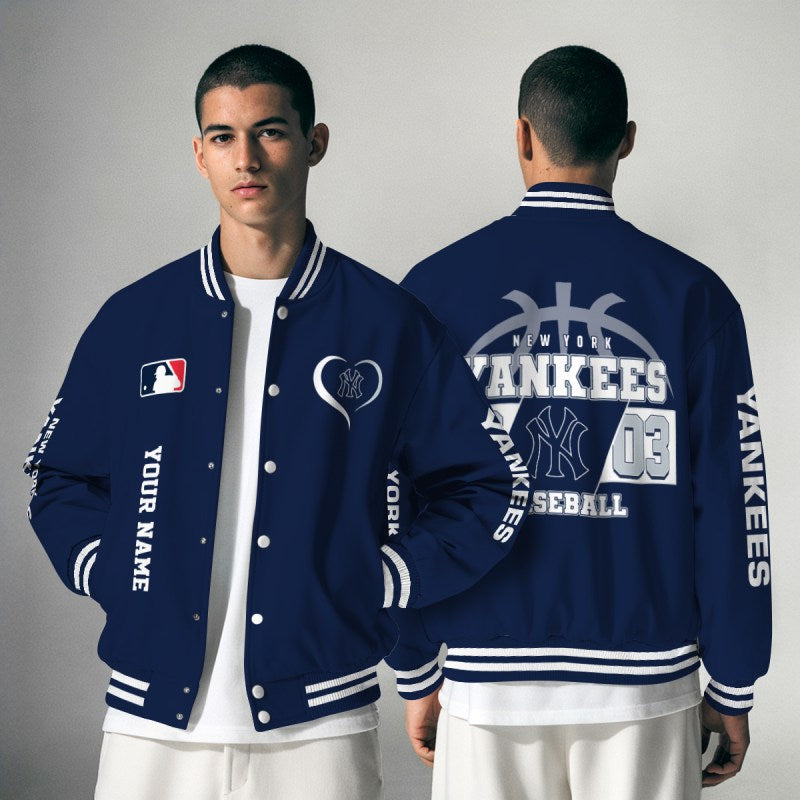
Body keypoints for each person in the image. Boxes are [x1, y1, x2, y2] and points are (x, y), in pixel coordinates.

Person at [22, 44, 526, 800]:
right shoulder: (135, 319)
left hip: (320, 723)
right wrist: (113, 569)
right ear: (199, 155)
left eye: (271, 131)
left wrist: (384, 577)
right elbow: (60, 477)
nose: (247, 158)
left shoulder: (390, 325)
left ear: (314, 142)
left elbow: (491, 484)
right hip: (150, 720)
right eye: (223, 136)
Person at [385, 45, 771, 800]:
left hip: (485, 675)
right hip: (645, 680)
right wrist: (733, 680)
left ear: (522, 135)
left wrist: (416, 664)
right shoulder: (695, 297)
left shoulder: (433, 290)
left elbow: (398, 490)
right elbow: (736, 500)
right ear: (626, 139)